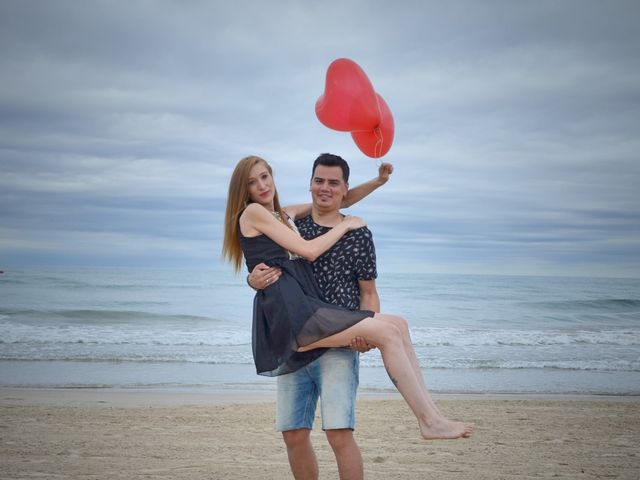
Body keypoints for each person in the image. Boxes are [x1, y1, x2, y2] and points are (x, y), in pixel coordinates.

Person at [222, 155, 474, 442]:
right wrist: (345, 226)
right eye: (253, 182)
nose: (262, 185)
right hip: (290, 313)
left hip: (303, 306)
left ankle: (434, 416)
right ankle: (428, 422)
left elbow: (342, 201)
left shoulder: (283, 215)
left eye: (265, 176)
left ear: (272, 176)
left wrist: (378, 181)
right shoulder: (254, 212)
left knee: (399, 324)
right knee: (388, 334)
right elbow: (309, 251)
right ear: (244, 190)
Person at [247, 153, 389, 480]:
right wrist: (252, 279)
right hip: (295, 341)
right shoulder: (290, 223)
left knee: (339, 433)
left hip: (338, 344)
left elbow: (368, 291)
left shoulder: (358, 234)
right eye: (319, 181)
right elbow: (267, 270)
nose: (324, 188)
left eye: (333, 183)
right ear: (310, 184)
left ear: (344, 188)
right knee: (293, 433)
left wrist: (368, 329)